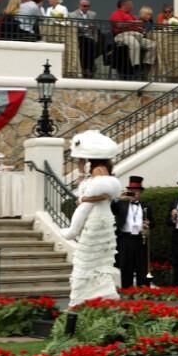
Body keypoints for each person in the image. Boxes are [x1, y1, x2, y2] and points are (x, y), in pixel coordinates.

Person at [58, 131, 123, 307]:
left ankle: (81, 300)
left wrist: (73, 229)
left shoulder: (98, 173)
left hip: (95, 219)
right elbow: (100, 193)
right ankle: (100, 297)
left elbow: (95, 199)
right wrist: (80, 172)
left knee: (88, 259)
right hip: (104, 219)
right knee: (98, 261)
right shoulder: (101, 172)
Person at [113, 175, 152, 288]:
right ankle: (126, 290)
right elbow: (112, 208)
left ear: (140, 192)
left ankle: (143, 290)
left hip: (140, 239)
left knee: (142, 266)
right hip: (126, 239)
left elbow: (152, 223)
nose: (134, 193)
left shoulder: (146, 206)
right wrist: (118, 199)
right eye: (131, 191)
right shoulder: (121, 204)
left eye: (136, 191)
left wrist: (148, 224)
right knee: (126, 266)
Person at [110, 0, 156, 76]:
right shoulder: (116, 13)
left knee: (152, 45)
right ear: (124, 5)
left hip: (136, 35)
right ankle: (136, 67)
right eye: (130, 4)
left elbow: (137, 26)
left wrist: (140, 28)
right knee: (134, 43)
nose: (132, 6)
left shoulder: (131, 15)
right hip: (123, 35)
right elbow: (118, 25)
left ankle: (146, 66)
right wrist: (133, 23)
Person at [69, 0, 100, 78]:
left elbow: (94, 27)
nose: (86, 8)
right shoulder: (73, 14)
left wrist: (95, 38)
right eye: (84, 6)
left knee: (91, 44)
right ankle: (86, 68)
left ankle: (88, 68)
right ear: (79, 5)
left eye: (88, 6)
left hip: (90, 38)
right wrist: (86, 27)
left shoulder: (93, 14)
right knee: (86, 44)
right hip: (79, 37)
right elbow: (77, 27)